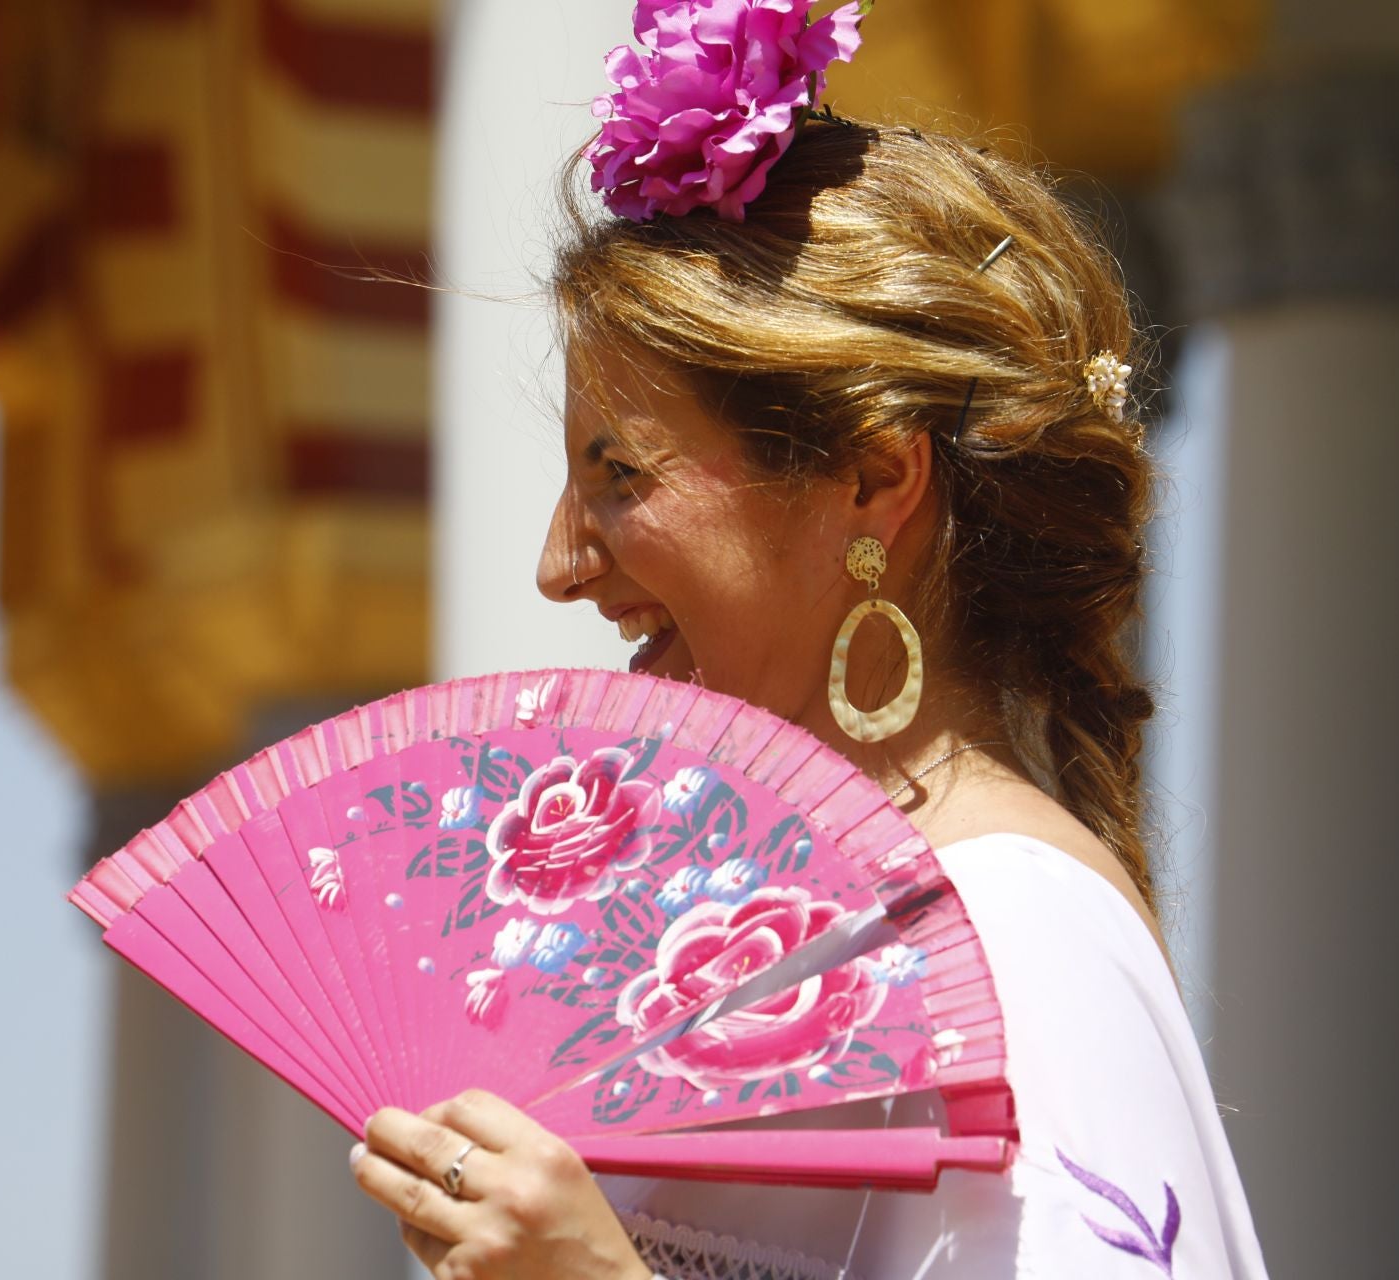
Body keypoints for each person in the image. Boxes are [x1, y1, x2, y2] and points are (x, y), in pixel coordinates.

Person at [349, 5, 1269, 1276]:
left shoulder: (1015, 937)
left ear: (871, 477)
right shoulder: (788, 928)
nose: (559, 565)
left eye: (619, 472)